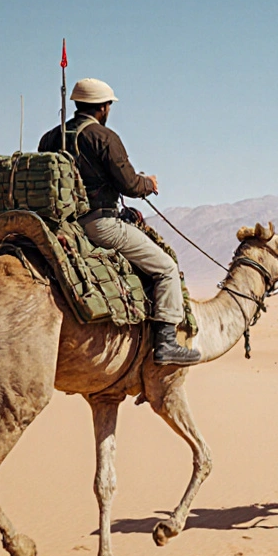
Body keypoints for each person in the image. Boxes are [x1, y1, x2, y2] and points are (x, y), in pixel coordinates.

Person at [38, 78, 200, 366]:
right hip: (99, 226)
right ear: (103, 107)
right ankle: (166, 343)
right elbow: (129, 184)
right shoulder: (103, 137)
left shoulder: (49, 138)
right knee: (166, 269)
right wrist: (148, 183)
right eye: (108, 106)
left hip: (61, 226)